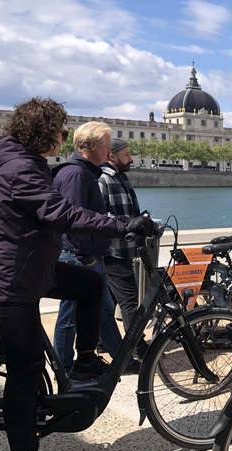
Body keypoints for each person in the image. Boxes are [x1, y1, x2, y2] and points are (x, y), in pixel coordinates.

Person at [0, 97, 153, 451]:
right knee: (25, 371)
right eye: (58, 129)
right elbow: (65, 214)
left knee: (89, 286)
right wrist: (123, 226)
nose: (61, 136)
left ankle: (85, 357)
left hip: (32, 270)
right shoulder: (21, 169)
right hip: (11, 281)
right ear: (44, 133)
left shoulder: (24, 163)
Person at [52, 123, 141, 376]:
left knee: (102, 312)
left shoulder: (83, 173)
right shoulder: (76, 175)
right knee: (69, 316)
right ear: (93, 146)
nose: (109, 150)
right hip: (78, 257)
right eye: (106, 144)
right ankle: (64, 367)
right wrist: (87, 258)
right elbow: (73, 221)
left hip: (89, 256)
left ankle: (121, 360)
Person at [99, 138, 149, 358]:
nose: (131, 158)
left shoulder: (121, 177)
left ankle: (103, 343)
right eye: (127, 154)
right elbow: (98, 216)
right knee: (129, 301)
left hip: (123, 248)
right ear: (112, 156)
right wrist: (128, 223)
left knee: (106, 301)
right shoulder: (103, 180)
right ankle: (137, 348)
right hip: (113, 251)